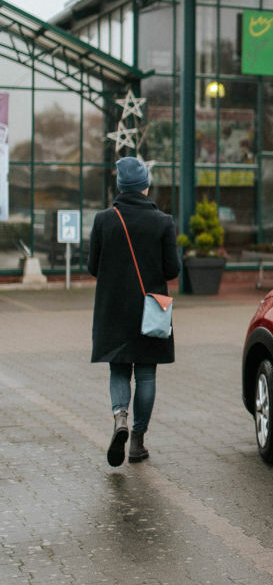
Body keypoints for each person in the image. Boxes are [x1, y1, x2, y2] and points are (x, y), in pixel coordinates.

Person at [88, 157, 181, 467]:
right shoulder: (163, 221)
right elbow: (172, 269)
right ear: (146, 185)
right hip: (150, 310)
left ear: (120, 186)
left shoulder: (104, 219)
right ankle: (138, 442)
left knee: (118, 369)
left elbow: (92, 267)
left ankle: (120, 419)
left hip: (113, 308)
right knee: (145, 374)